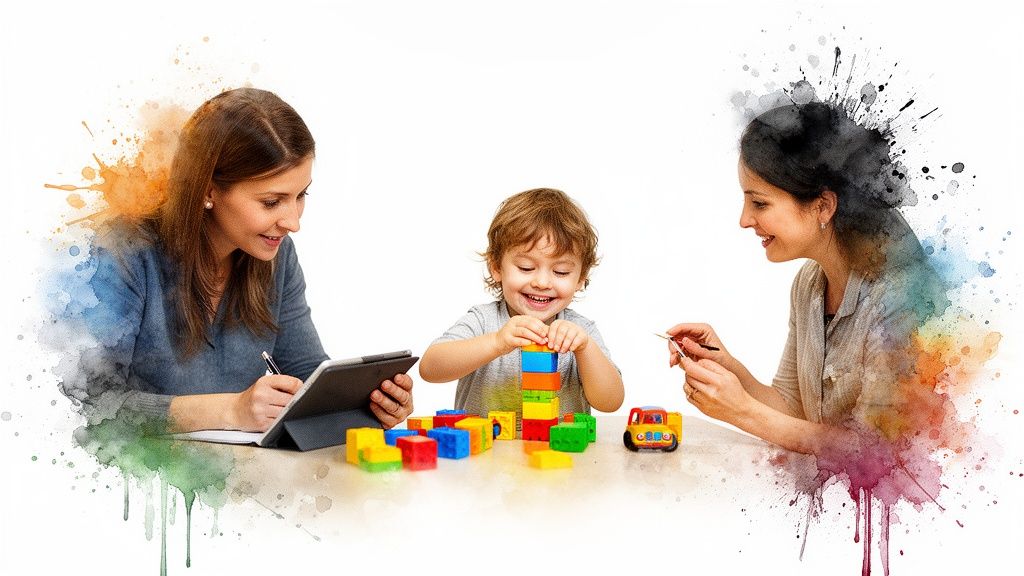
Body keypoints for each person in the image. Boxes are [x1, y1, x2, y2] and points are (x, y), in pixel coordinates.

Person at [78, 88, 414, 432]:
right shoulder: (121, 253)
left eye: (301, 196)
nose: (293, 223)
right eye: (271, 202)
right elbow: (83, 406)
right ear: (209, 190)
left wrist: (363, 404)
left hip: (232, 477)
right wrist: (230, 411)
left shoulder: (274, 255)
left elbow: (306, 375)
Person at [666, 101, 947, 455]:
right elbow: (795, 412)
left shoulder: (902, 300)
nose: (744, 219)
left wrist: (742, 411)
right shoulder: (810, 284)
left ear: (823, 206)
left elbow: (880, 455)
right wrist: (729, 368)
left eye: (759, 203)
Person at [419, 188, 624, 419]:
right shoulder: (483, 321)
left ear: (580, 278)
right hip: (488, 453)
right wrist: (496, 342)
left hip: (558, 454)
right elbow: (430, 368)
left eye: (561, 271)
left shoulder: (581, 332)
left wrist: (585, 349)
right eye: (526, 268)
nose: (542, 282)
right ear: (496, 267)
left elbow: (611, 402)